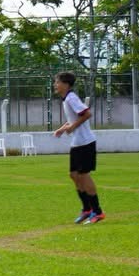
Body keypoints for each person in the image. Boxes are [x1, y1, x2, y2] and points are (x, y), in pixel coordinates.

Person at [54, 71, 104, 224]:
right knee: (74, 175)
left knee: (83, 175)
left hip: (85, 142)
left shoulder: (72, 98)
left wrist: (72, 127)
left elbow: (87, 113)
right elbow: (73, 118)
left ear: (66, 84)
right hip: (77, 142)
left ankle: (97, 211)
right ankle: (86, 209)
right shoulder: (66, 99)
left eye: (57, 82)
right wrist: (63, 128)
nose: (55, 85)